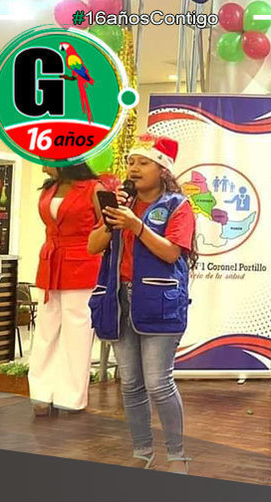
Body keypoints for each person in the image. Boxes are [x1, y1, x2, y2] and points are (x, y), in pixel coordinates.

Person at [87, 135, 196, 474]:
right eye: (131, 162)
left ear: (162, 170)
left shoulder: (178, 206)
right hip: (118, 300)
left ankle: (177, 455)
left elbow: (171, 253)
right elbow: (92, 245)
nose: (133, 168)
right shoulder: (122, 204)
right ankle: (143, 451)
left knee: (158, 383)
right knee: (131, 384)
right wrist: (111, 221)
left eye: (143, 163)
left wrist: (137, 226)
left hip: (159, 301)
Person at [30, 163, 107, 416]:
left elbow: (107, 227)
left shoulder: (94, 189)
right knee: (45, 330)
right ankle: (41, 394)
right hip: (50, 262)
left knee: (77, 332)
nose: (43, 167)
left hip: (82, 264)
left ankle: (71, 397)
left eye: (45, 160)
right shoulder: (49, 188)